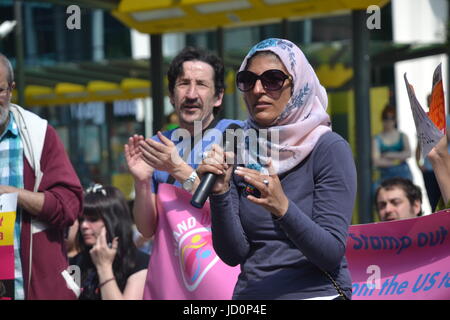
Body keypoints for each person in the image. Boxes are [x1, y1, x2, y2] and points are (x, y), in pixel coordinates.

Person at [197, 38, 357, 300]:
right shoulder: (239, 146)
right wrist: (220, 193)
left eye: (272, 79)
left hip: (316, 294)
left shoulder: (329, 148)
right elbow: (233, 254)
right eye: (248, 80)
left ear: (298, 86)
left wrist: (283, 208)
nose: (258, 90)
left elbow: (330, 254)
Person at [124, 47, 241, 299]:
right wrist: (142, 181)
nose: (191, 94)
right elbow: (146, 229)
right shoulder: (159, 145)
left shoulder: (235, 135)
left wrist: (177, 169)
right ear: (171, 96)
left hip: (224, 286)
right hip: (174, 287)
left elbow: (237, 215)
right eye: (183, 84)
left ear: (218, 96)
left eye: (201, 84)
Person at [0, 53, 83, 299]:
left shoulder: (38, 135)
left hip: (33, 288)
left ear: (12, 90)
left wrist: (12, 194)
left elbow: (69, 206)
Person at [70, 184, 149, 300]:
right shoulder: (75, 262)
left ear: (114, 221)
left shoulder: (139, 262)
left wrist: (104, 267)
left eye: (93, 219)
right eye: (81, 219)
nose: (84, 225)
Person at [372, 104, 413, 187]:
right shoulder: (376, 139)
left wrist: (388, 155)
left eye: (392, 118)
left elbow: (409, 153)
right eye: (386, 118)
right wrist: (399, 159)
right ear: (382, 119)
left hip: (404, 175)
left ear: (395, 120)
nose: (389, 121)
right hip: (385, 176)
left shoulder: (403, 136)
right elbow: (376, 161)